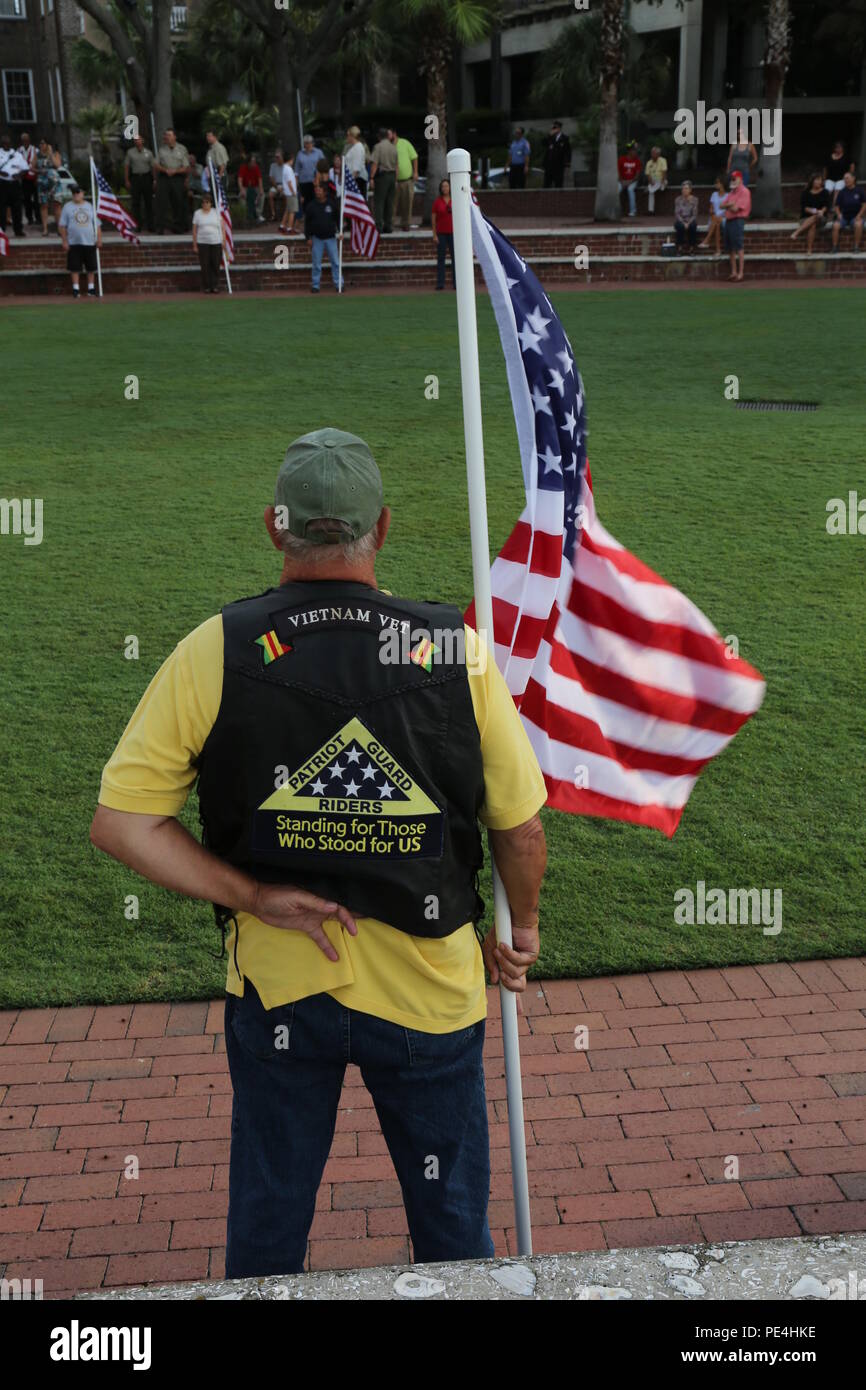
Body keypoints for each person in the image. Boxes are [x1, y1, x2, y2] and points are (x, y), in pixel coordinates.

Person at [89, 427, 548, 1279]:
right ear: (382, 527)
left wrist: (253, 895)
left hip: (279, 987)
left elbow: (122, 823)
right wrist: (519, 931)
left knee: (270, 1223)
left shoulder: (215, 649)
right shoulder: (455, 649)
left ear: (276, 527)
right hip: (431, 995)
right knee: (452, 1227)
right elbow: (519, 832)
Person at [58, 184, 102, 298]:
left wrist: (99, 239)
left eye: (78, 192)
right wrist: (64, 241)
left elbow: (96, 225)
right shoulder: (67, 207)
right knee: (74, 267)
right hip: (74, 242)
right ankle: (76, 289)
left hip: (89, 242)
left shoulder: (89, 206)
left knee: (91, 267)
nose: (76, 195)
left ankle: (91, 288)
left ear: (83, 193)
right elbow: (62, 226)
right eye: (74, 193)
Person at [304, 181, 344, 292]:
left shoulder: (332, 204)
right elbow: (307, 224)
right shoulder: (311, 206)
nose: (317, 192)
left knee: (335, 262)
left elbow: (338, 219)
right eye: (316, 190)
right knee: (316, 264)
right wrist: (308, 237)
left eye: (319, 190)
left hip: (331, 238)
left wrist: (341, 232)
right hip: (317, 239)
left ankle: (339, 283)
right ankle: (315, 285)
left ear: (325, 192)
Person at [155, 128, 190, 233]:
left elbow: (186, 167)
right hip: (164, 177)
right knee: (161, 203)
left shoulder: (182, 149)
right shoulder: (161, 150)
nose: (167, 137)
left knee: (178, 202)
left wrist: (176, 171)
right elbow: (156, 165)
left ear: (175, 137)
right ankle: (160, 228)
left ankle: (178, 227)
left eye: (169, 135)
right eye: (166, 135)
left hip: (177, 178)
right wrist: (165, 170)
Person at [720, 169, 751, 282]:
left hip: (738, 220)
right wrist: (730, 205)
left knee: (738, 246)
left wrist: (728, 206)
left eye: (735, 178)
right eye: (732, 178)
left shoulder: (745, 191)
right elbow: (721, 206)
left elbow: (736, 209)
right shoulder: (731, 192)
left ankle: (740, 273)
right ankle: (733, 272)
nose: (733, 180)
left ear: (740, 179)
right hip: (728, 220)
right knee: (730, 248)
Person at [790, 172, 831, 255]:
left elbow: (826, 205)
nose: (819, 182)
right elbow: (805, 208)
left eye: (820, 180)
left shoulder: (825, 192)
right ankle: (809, 250)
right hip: (805, 218)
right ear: (812, 181)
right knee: (812, 225)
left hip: (821, 218)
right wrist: (815, 211)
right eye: (816, 180)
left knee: (816, 217)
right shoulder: (805, 193)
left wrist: (821, 211)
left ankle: (797, 232)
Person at [192, 190, 224, 293]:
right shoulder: (197, 214)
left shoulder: (216, 212)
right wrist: (195, 245)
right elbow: (194, 230)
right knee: (205, 265)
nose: (205, 204)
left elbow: (222, 227)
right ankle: (206, 286)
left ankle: (214, 286)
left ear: (211, 203)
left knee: (215, 264)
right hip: (202, 243)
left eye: (207, 202)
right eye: (204, 202)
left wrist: (223, 240)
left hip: (216, 242)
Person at [124, 135, 155, 234]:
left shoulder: (149, 153)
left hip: (146, 178)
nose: (137, 141)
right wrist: (127, 180)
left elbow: (153, 166)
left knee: (148, 203)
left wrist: (154, 179)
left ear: (143, 141)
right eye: (136, 140)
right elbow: (127, 166)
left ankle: (151, 226)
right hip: (135, 178)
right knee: (136, 203)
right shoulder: (130, 152)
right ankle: (137, 225)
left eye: (139, 139)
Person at [370, 126, 397, 233]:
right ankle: (389, 225)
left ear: (379, 136)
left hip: (382, 176)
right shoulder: (393, 147)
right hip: (392, 175)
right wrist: (395, 179)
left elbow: (375, 163)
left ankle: (379, 225)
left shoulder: (378, 147)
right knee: (390, 202)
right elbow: (397, 165)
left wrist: (371, 177)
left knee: (379, 201)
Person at [0, 133, 28, 238]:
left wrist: (19, 175)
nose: (6, 145)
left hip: (14, 184)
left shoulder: (17, 154)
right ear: (2, 144)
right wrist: (1, 173)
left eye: (7, 143)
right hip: (2, 184)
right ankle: (1, 231)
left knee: (17, 208)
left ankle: (18, 230)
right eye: (4, 143)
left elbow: (25, 168)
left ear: (10, 143)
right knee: (1, 209)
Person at [831, 170, 865, 253]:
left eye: (847, 178)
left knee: (859, 224)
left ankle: (856, 247)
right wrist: (839, 214)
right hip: (844, 217)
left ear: (853, 179)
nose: (845, 180)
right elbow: (836, 206)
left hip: (856, 216)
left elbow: (864, 204)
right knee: (835, 225)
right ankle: (835, 247)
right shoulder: (842, 192)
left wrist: (860, 215)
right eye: (844, 179)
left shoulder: (859, 191)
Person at [393, 128, 418, 231]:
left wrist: (415, 172)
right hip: (394, 181)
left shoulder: (405, 143)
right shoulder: (387, 146)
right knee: (392, 204)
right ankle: (391, 224)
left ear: (394, 134)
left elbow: (414, 157)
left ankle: (406, 223)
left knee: (407, 203)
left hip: (407, 180)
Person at [432, 177, 454, 290]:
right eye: (443, 186)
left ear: (450, 187)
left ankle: (456, 283)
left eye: (447, 186)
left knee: (455, 258)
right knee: (441, 259)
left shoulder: (455, 200)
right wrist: (434, 234)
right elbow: (433, 219)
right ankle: (440, 283)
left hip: (453, 233)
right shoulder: (437, 202)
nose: (445, 188)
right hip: (441, 233)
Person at [295, 134, 324, 214]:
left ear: (312, 143)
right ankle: (308, 217)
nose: (307, 145)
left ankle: (317, 215)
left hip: (316, 181)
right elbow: (297, 170)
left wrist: (321, 178)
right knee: (305, 203)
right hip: (303, 182)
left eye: (309, 143)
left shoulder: (319, 152)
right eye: (305, 143)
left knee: (316, 199)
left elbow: (323, 166)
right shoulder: (300, 154)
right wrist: (296, 183)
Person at [36, 139, 59, 236]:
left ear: (48, 144)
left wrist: (50, 153)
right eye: (40, 143)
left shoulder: (55, 154)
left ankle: (59, 228)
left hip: (53, 182)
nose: (41, 145)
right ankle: (45, 229)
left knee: (56, 204)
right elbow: (31, 166)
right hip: (42, 182)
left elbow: (57, 165)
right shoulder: (37, 155)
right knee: (44, 205)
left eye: (43, 143)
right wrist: (39, 171)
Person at [698, 175, 727, 254]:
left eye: (718, 183)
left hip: (724, 218)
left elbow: (728, 211)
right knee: (716, 223)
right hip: (715, 218)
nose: (716, 184)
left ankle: (707, 240)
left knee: (716, 220)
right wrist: (712, 212)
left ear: (722, 184)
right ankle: (718, 251)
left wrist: (719, 216)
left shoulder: (728, 195)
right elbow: (711, 209)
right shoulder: (714, 194)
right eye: (716, 183)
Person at [824, 141, 854, 208]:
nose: (838, 149)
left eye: (840, 147)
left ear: (843, 148)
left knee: (837, 191)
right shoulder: (829, 156)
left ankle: (834, 208)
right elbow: (825, 168)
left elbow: (852, 166)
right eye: (837, 148)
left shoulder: (846, 157)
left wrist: (849, 176)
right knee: (827, 191)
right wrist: (824, 178)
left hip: (841, 179)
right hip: (830, 178)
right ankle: (825, 208)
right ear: (834, 148)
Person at [543, 120, 571, 189]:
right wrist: (549, 135)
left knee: (558, 184)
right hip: (549, 164)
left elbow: (568, 151)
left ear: (559, 128)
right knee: (547, 184)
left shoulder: (565, 138)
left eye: (556, 127)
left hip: (559, 165)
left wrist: (567, 162)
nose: (554, 129)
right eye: (553, 127)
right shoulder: (550, 137)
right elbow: (543, 143)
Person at [238, 151, 265, 224]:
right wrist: (242, 189)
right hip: (245, 187)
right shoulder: (243, 168)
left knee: (262, 195)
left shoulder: (256, 168)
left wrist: (261, 189)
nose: (254, 163)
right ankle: (244, 215)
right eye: (252, 161)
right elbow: (240, 180)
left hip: (255, 187)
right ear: (248, 162)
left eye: (254, 161)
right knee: (241, 196)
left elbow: (260, 179)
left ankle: (258, 214)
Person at [617, 140, 642, 217]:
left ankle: (633, 211)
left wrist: (629, 182)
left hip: (633, 181)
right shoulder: (621, 159)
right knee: (617, 189)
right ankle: (616, 210)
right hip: (622, 181)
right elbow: (618, 173)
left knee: (630, 189)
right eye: (634, 151)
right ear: (630, 151)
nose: (636, 152)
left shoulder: (637, 161)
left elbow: (637, 176)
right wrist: (622, 182)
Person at [18, 131, 38, 225]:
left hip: (34, 177)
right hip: (25, 178)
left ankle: (38, 218)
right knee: (27, 199)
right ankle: (29, 218)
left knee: (36, 199)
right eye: (23, 140)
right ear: (22, 141)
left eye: (27, 139)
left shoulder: (35, 149)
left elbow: (37, 164)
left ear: (29, 140)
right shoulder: (19, 150)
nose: (25, 141)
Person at [673, 180, 698, 254]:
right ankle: (680, 248)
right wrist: (684, 223)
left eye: (686, 188)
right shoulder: (678, 199)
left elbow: (694, 214)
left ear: (690, 190)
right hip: (681, 220)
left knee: (693, 226)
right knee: (680, 226)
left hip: (690, 219)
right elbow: (677, 214)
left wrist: (688, 223)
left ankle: (692, 248)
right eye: (683, 188)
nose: (684, 190)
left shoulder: (695, 200)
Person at [344, 125, 367, 199]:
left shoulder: (358, 148)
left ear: (352, 136)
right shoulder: (354, 147)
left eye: (347, 135)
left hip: (357, 180)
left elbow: (356, 169)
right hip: (354, 179)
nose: (347, 137)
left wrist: (351, 183)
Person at [278, 154, 299, 235]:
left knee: (288, 209)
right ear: (290, 159)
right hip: (291, 193)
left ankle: (282, 225)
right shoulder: (289, 169)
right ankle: (289, 228)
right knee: (292, 211)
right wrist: (294, 192)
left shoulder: (284, 168)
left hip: (287, 192)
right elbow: (289, 182)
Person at [644, 146, 667, 214]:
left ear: (658, 154)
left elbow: (664, 172)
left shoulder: (663, 160)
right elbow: (648, 174)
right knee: (651, 192)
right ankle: (651, 210)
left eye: (654, 153)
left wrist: (662, 182)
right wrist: (651, 182)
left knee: (661, 188)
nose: (652, 155)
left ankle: (650, 188)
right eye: (652, 153)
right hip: (653, 181)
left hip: (661, 179)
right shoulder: (649, 162)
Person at [268, 149, 286, 222]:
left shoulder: (286, 166)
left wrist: (283, 188)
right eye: (276, 157)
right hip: (276, 185)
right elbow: (271, 178)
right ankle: (273, 214)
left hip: (284, 185)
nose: (277, 159)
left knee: (286, 195)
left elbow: (288, 178)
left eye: (278, 157)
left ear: (282, 157)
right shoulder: (273, 165)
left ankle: (285, 214)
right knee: (270, 195)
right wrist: (276, 187)